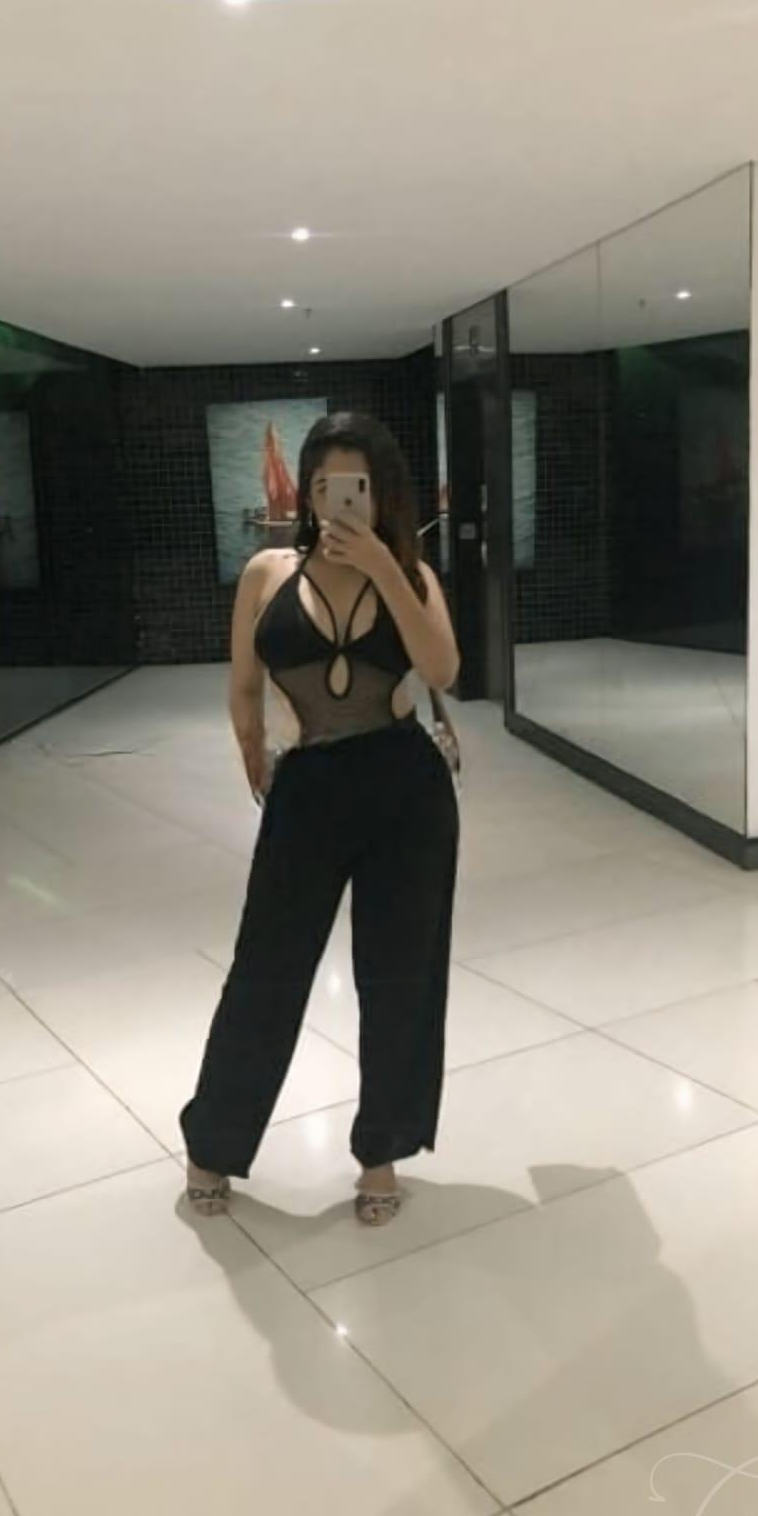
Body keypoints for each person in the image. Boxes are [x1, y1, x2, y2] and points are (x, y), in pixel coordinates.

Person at [180, 411, 461, 1228]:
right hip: (306, 790)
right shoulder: (267, 572)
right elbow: (243, 680)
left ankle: (382, 1153)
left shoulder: (412, 574)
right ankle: (213, 1142)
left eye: (356, 485)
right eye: (324, 483)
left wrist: (382, 566)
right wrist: (249, 745)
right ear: (306, 490)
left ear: (382, 493)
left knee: (401, 975)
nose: (336, 499)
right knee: (265, 970)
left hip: (406, 790)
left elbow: (443, 668)